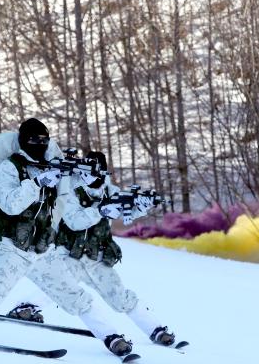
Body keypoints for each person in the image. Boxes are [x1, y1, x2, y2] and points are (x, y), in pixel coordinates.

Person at [0, 119, 127, 357]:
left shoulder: (54, 166)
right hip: (14, 244)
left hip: (42, 247)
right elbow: (9, 204)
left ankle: (111, 336)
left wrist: (89, 179)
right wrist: (36, 183)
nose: (40, 144)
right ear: (24, 141)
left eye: (44, 140)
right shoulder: (11, 167)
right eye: (34, 140)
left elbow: (74, 192)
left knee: (73, 293)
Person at [49, 151, 178, 353]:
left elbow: (126, 211)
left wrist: (141, 206)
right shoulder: (69, 190)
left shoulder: (110, 190)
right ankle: (25, 308)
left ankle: (156, 330)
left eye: (98, 169)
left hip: (96, 257)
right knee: (62, 290)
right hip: (69, 255)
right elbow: (74, 222)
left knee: (119, 296)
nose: (93, 175)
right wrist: (100, 210)